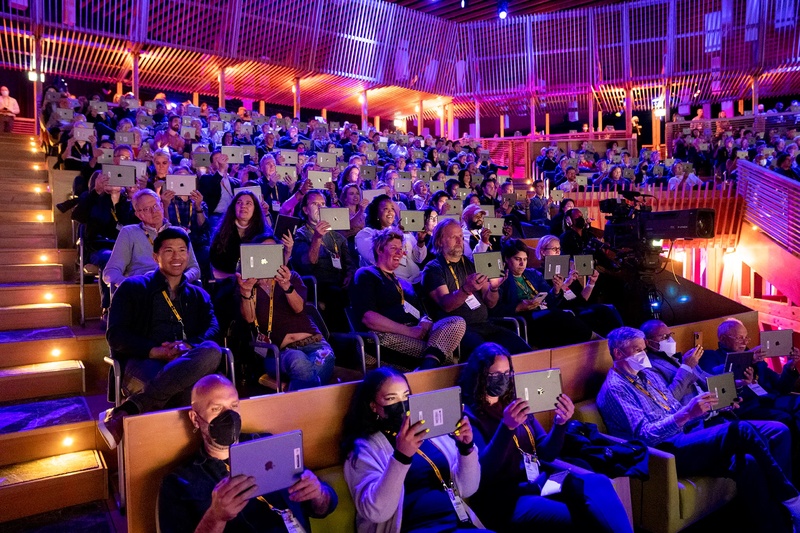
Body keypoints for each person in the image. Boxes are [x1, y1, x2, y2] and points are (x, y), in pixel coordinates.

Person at [597, 327, 800, 533]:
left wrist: (710, 407)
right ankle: (790, 497)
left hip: (686, 435)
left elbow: (674, 407)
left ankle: (780, 526)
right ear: (618, 353)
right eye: (637, 350)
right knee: (742, 429)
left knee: (750, 461)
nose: (643, 354)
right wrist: (687, 414)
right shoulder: (615, 388)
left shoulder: (648, 374)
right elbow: (645, 436)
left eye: (643, 349)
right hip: (664, 450)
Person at [461, 343, 633, 533]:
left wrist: (560, 424)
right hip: (506, 498)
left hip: (539, 482)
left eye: (507, 373)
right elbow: (483, 473)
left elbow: (547, 452)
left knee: (597, 482)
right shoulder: (470, 416)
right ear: (480, 376)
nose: (502, 380)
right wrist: (507, 427)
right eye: (495, 375)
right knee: (579, 517)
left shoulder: (514, 403)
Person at [158, 374, 337, 532]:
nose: (228, 416)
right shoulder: (179, 482)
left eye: (234, 406)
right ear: (195, 418)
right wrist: (215, 517)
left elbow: (324, 508)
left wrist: (319, 493)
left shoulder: (270, 445)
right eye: (216, 409)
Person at [101, 228, 222, 450]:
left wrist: (189, 345)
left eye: (182, 251)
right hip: (143, 361)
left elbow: (213, 328)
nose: (177, 257)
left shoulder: (198, 294)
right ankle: (186, 458)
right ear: (156, 257)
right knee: (187, 389)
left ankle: (128, 411)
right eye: (169, 251)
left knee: (212, 351)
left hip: (187, 359)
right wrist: (155, 351)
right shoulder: (133, 288)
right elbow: (115, 336)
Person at [341, 367, 492, 533]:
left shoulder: (431, 433)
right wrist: (401, 457)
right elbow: (376, 512)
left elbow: (468, 488)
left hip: (454, 523)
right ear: (373, 406)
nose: (403, 405)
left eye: (406, 396)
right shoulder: (365, 448)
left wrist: (465, 448)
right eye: (391, 398)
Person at [351, 228, 466, 370]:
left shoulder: (404, 283)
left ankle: (427, 366)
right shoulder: (366, 274)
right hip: (381, 338)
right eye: (394, 248)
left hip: (415, 333)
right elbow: (368, 318)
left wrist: (424, 322)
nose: (400, 253)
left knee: (457, 322)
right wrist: (409, 332)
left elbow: (423, 314)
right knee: (445, 357)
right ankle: (430, 366)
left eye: (401, 249)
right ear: (380, 250)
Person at [421, 218, 530, 357]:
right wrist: (466, 289)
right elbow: (446, 305)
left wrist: (494, 288)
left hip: (486, 325)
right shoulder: (433, 269)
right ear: (439, 241)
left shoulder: (471, 263)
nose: (460, 241)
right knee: (491, 357)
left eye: (461, 236)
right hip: (459, 331)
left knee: (524, 352)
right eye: (454, 237)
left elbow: (490, 303)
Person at [237, 237, 333, 390]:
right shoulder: (249, 284)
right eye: (263, 250)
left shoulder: (292, 277)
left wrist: (286, 285)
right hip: (279, 353)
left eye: (273, 251)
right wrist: (246, 292)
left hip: (316, 343)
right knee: (299, 360)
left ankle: (300, 409)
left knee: (315, 367)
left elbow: (299, 309)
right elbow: (249, 318)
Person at [495, 239, 593, 348]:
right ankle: (592, 338)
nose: (522, 264)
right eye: (517, 259)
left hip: (543, 312)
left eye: (525, 259)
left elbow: (550, 299)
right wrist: (518, 307)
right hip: (525, 319)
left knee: (563, 316)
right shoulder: (500, 279)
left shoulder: (533, 274)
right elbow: (495, 309)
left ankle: (592, 340)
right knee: (558, 317)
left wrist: (556, 289)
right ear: (507, 259)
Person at [103, 189, 202, 292]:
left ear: (162, 206)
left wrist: (181, 280)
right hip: (142, 288)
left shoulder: (178, 233)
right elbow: (110, 273)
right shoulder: (129, 232)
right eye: (146, 209)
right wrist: (132, 285)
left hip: (175, 288)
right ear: (138, 214)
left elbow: (194, 269)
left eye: (156, 206)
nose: (154, 211)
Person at [291, 189, 356, 331]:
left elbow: (349, 263)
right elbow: (308, 263)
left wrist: (349, 275)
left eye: (323, 203)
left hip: (339, 283)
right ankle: (342, 341)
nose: (320, 207)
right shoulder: (301, 234)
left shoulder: (336, 235)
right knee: (334, 293)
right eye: (315, 204)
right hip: (316, 284)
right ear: (305, 210)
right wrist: (317, 238)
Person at [355, 195, 427, 284]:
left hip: (416, 279)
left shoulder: (403, 232)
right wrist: (394, 234)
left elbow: (418, 259)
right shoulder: (366, 234)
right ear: (376, 213)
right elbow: (374, 257)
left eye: (392, 208)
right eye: (385, 209)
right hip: (391, 282)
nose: (390, 212)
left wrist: (420, 241)